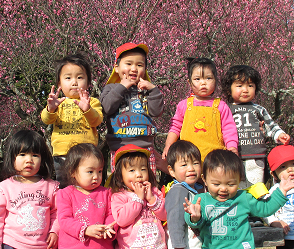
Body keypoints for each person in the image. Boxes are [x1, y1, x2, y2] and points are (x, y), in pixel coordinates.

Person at [221, 65, 290, 188]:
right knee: (235, 186)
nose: (245, 90)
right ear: (228, 89)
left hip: (256, 156)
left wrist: (279, 134)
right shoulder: (225, 109)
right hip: (232, 156)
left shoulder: (258, 109)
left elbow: (270, 125)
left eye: (250, 86)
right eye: (239, 86)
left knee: (256, 187)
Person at [100, 43, 164, 173]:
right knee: (121, 182)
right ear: (116, 68)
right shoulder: (111, 88)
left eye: (139, 65)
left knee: (147, 181)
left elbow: (156, 111)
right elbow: (106, 108)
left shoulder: (146, 90)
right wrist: (121, 87)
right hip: (119, 146)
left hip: (145, 147)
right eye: (128, 64)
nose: (134, 69)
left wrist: (153, 90)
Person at [41, 53, 103, 186]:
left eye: (80, 77)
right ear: (59, 83)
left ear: (88, 82)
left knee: (88, 186)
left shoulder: (92, 102)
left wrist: (87, 109)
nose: (74, 82)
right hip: (62, 154)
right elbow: (46, 119)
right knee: (65, 187)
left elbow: (97, 121)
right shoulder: (58, 103)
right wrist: (51, 109)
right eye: (68, 78)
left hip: (86, 154)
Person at [163, 58, 238, 162]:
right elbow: (175, 127)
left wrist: (232, 147)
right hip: (188, 159)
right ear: (189, 82)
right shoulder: (184, 105)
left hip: (215, 160)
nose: (203, 83)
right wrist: (168, 145)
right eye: (197, 79)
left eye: (208, 78)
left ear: (215, 80)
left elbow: (229, 129)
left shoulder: (221, 106)